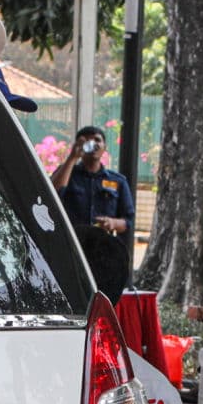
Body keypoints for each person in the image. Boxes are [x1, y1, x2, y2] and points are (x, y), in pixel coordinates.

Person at [51, 125, 135, 297]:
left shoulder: (117, 181)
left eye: (97, 140)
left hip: (103, 253)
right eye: (86, 140)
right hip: (72, 248)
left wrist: (112, 223)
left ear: (104, 147)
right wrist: (72, 158)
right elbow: (53, 193)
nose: (93, 144)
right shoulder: (67, 172)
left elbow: (128, 221)